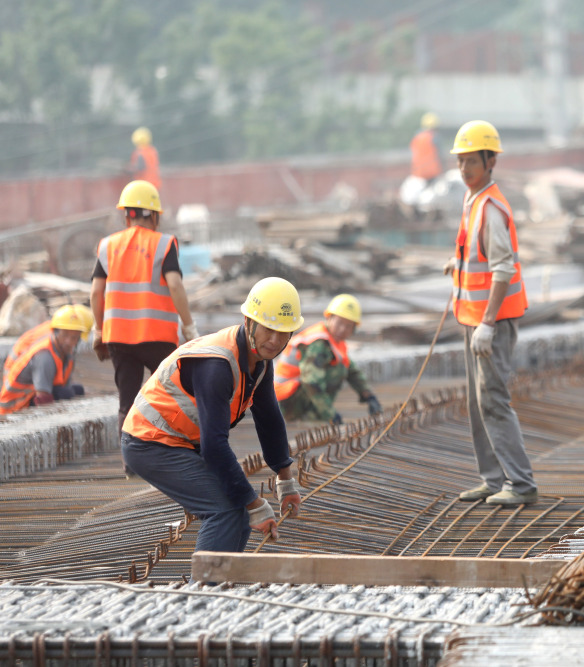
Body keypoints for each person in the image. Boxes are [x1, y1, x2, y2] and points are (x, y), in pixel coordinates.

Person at [121, 277, 305, 553]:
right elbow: (215, 447)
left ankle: (219, 583)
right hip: (149, 442)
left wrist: (286, 479)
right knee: (227, 512)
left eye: (284, 332)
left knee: (236, 511)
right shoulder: (217, 365)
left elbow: (269, 420)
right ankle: (204, 591)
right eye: (268, 329)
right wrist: (254, 503)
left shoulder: (260, 362)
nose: (275, 340)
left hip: (181, 442)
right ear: (248, 321)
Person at [445, 119, 536, 507]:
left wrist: (487, 324)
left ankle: (520, 484)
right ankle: (493, 478)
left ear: (490, 160)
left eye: (472, 161)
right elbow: (477, 252)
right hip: (473, 318)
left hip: (491, 323)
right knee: (477, 401)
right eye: (461, 161)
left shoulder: (492, 208)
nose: (465, 169)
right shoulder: (474, 199)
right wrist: (457, 262)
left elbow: (503, 268)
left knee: (493, 399)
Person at [90, 179, 199, 435]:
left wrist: (98, 331)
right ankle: (166, 453)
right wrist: (189, 327)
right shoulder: (164, 243)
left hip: (118, 339)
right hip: (158, 338)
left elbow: (96, 291)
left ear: (126, 214)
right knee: (168, 399)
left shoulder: (108, 245)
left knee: (127, 403)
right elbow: (175, 285)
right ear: (154, 215)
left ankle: (130, 465)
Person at [274, 293, 382, 424]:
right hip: (284, 403)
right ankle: (311, 414)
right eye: (340, 322)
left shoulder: (335, 342)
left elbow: (351, 370)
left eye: (348, 326)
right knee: (336, 371)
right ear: (329, 318)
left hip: (292, 397)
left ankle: (315, 411)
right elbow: (311, 382)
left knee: (341, 366)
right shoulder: (319, 343)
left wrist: (369, 396)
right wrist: (330, 415)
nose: (343, 329)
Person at [0, 305, 90, 414]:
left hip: (28, 398)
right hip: (15, 407)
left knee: (76, 390)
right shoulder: (45, 357)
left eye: (74, 338)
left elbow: (65, 384)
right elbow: (43, 399)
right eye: (65, 335)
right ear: (55, 333)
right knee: (66, 393)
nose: (69, 342)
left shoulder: (67, 352)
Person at [4, 305, 94, 378]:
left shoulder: (56, 332)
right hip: (18, 381)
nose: (70, 342)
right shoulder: (46, 350)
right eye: (68, 335)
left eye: (74, 337)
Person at [409, 112, 444, 184]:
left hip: (417, 174)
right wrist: (444, 171)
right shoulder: (434, 137)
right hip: (432, 174)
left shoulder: (416, 137)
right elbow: (440, 156)